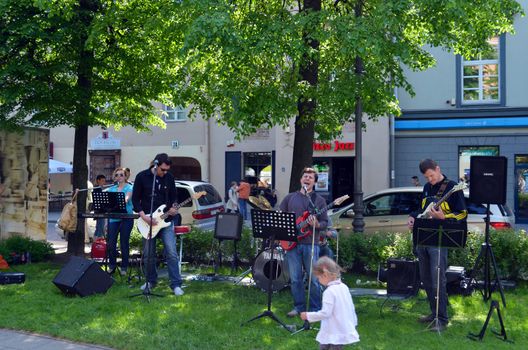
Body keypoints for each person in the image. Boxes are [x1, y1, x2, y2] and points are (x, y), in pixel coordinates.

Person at [407, 158, 467, 332]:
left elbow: (462, 214)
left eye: (432, 176)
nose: (430, 180)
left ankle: (442, 318)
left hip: (439, 240)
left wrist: (444, 217)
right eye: (427, 178)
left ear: (438, 169)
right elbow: (422, 209)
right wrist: (413, 216)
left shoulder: (452, 187)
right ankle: (433, 314)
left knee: (437, 280)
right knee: (426, 279)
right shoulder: (426, 188)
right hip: (423, 238)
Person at [132, 153, 184, 296]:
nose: (165, 172)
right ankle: (150, 281)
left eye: (167, 170)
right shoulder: (141, 177)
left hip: (166, 221)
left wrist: (174, 207)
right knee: (148, 254)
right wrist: (144, 216)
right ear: (155, 165)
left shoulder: (169, 178)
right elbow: (135, 200)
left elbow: (174, 196)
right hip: (147, 220)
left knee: (171, 252)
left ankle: (176, 284)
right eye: (163, 169)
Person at [280, 167, 327, 317]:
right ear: (301, 179)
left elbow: (325, 222)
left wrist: (316, 225)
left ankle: (315, 309)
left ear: (314, 182)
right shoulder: (289, 198)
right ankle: (299, 307)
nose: (307, 179)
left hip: (310, 243)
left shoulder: (319, 201)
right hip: (292, 244)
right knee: (295, 278)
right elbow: (281, 217)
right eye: (305, 176)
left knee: (314, 279)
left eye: (310, 177)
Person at [300, 257, 360, 349]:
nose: (318, 280)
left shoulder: (329, 292)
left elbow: (325, 313)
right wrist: (353, 323)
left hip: (333, 331)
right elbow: (351, 308)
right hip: (340, 329)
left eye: (318, 277)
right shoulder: (344, 287)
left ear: (325, 274)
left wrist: (308, 316)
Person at [106, 168, 133, 276]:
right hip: (113, 218)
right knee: (111, 243)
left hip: (126, 218)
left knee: (124, 243)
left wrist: (123, 199)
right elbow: (106, 204)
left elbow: (126, 198)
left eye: (121, 175)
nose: (119, 177)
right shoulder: (111, 189)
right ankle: (112, 265)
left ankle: (124, 267)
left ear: (125, 176)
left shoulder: (129, 187)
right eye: (116, 175)